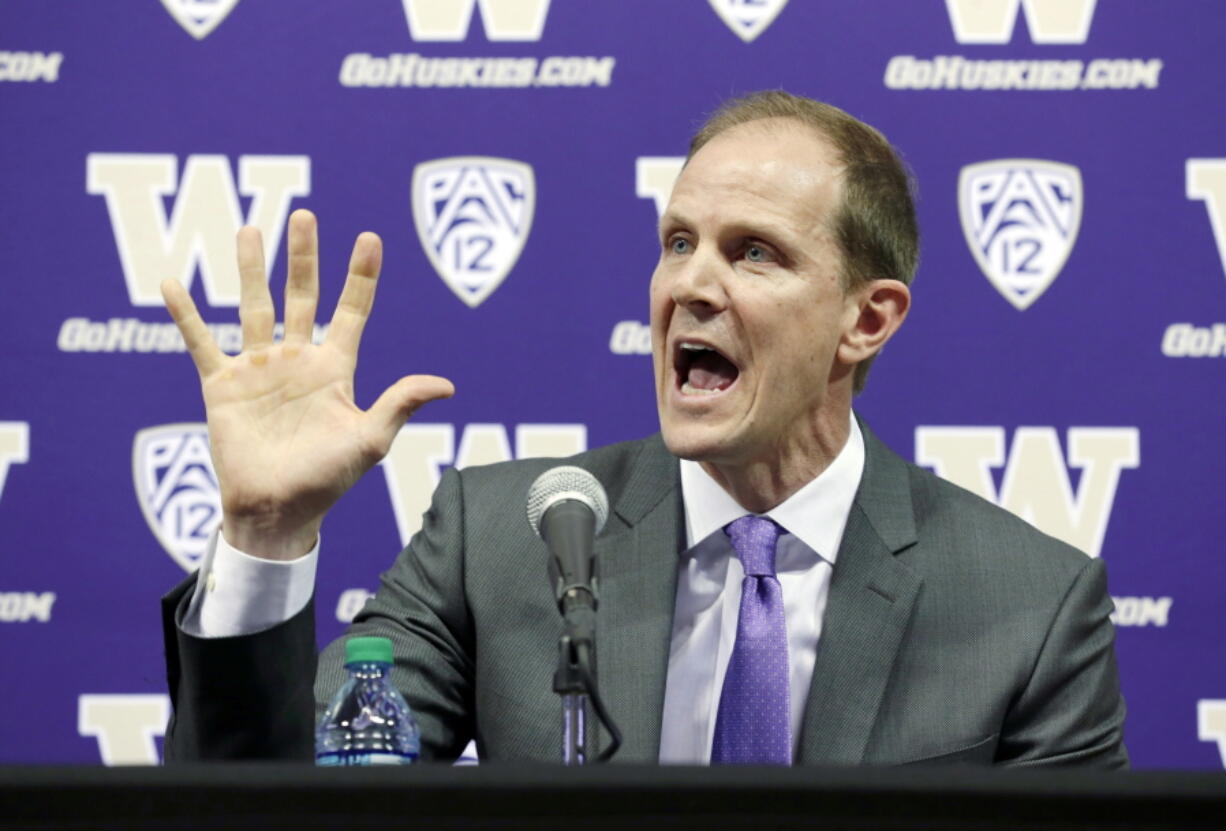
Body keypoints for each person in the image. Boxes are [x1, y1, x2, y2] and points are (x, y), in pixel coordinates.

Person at [161, 91, 1127, 767]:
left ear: (865, 319)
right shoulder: (496, 539)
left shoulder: (1031, 608)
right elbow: (279, 802)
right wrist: (266, 537)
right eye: (677, 242)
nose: (690, 286)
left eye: (754, 252)